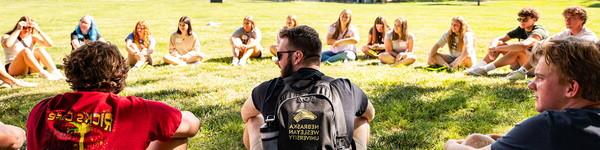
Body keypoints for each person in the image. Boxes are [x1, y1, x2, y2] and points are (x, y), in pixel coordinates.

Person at [26, 41, 200, 149]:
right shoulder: (135, 110)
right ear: (120, 74)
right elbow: (191, 125)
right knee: (175, 135)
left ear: (72, 71)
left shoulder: (42, 109)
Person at [445, 38, 600, 150]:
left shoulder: (549, 125)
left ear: (571, 88)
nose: (530, 85)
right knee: (476, 139)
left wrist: (450, 143)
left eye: (540, 78)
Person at [241, 25, 375, 149]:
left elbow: (245, 114)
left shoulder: (269, 88)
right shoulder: (345, 88)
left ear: (297, 56)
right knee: (361, 121)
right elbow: (370, 113)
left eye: (279, 55)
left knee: (253, 121)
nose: (278, 61)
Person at [502, 6, 598, 81]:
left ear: (581, 19)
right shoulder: (566, 32)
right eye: (566, 18)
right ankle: (522, 72)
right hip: (567, 66)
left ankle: (541, 77)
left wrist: (555, 45)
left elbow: (579, 47)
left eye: (572, 18)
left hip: (582, 69)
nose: (567, 20)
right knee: (541, 48)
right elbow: (547, 41)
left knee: (554, 51)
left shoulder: (588, 36)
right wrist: (541, 45)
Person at [467, 7, 548, 77]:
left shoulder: (539, 30)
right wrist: (492, 47)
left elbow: (523, 45)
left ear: (534, 19)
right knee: (500, 43)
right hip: (522, 64)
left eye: (525, 19)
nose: (522, 21)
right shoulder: (521, 29)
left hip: (535, 67)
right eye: (520, 19)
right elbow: (500, 39)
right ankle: (478, 67)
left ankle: (485, 69)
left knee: (520, 49)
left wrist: (497, 49)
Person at [1, 16, 64, 80]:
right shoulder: (7, 36)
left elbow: (50, 44)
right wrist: (18, 29)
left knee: (39, 49)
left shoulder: (32, 37)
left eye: (29, 28)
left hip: (31, 66)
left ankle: (55, 71)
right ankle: (44, 74)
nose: (27, 30)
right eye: (24, 27)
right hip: (14, 68)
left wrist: (39, 30)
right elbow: (7, 45)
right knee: (26, 51)